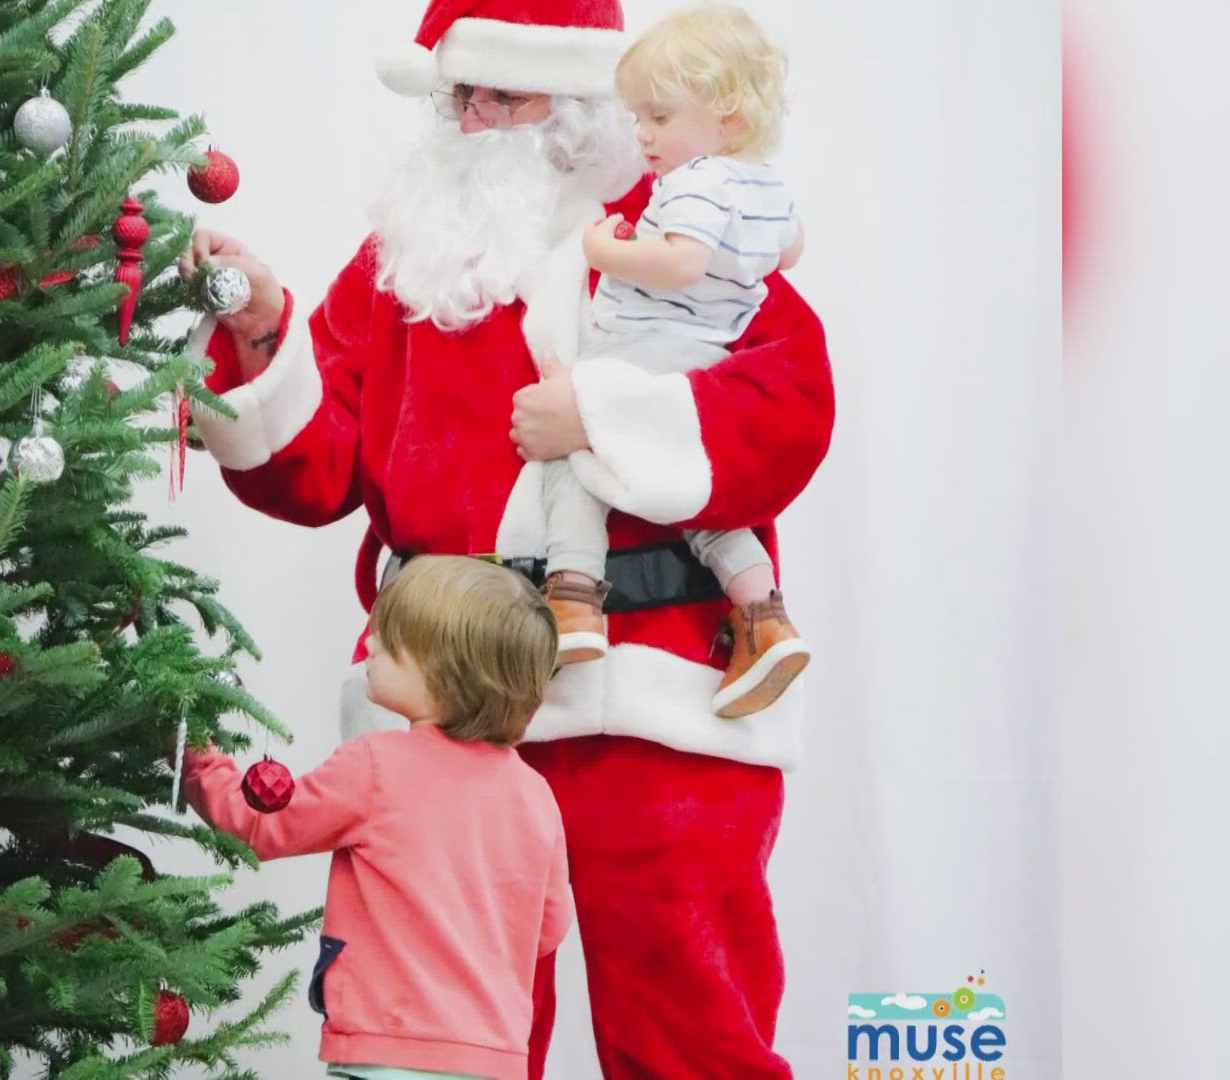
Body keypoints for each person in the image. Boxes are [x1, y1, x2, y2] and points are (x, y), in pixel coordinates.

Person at [179, 0, 833, 1075]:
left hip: (652, 684)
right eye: (463, 94)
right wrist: (261, 335)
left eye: (508, 95)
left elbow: (791, 404)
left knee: (688, 1024)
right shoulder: (411, 257)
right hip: (451, 706)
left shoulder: (681, 234)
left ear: (582, 106)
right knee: (439, 1027)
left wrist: (605, 421)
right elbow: (318, 468)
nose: (478, 120)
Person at [182, 556, 569, 1080]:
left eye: (390, 640)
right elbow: (547, 930)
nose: (370, 646)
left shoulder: (376, 764)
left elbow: (262, 826)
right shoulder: (536, 794)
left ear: (444, 674)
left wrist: (200, 757)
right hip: (494, 1059)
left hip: (387, 1053)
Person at [540, 3, 811, 722]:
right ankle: (764, 615)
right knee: (690, 496)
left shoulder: (697, 183)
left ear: (728, 119)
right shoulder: (765, 185)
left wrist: (607, 250)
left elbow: (682, 262)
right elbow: (788, 251)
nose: (643, 135)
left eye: (658, 118)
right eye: (638, 118)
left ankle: (572, 599)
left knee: (571, 460)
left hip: (643, 349)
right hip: (705, 357)